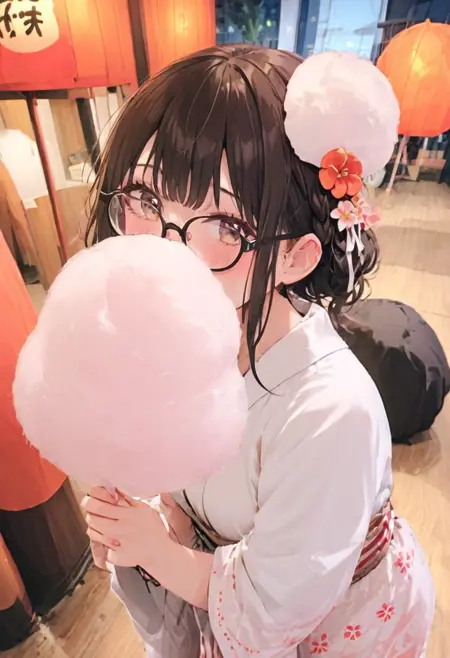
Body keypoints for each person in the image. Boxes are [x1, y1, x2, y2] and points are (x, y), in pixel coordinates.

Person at [82, 45, 434, 657]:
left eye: (226, 225)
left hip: (333, 623)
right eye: (144, 200)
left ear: (296, 255)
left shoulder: (331, 414)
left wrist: (157, 552)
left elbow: (272, 607)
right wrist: (139, 517)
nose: (164, 249)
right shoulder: (184, 341)